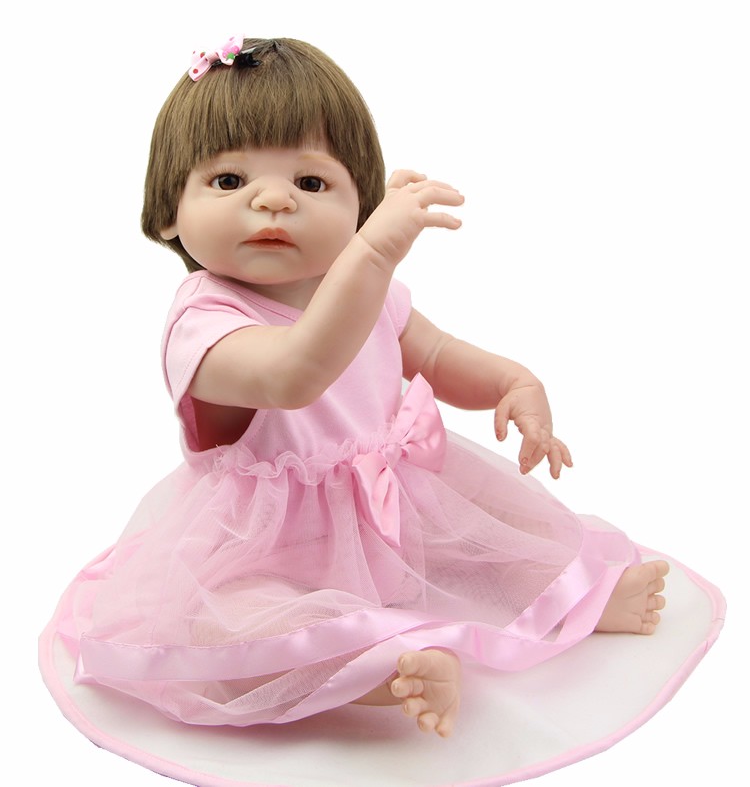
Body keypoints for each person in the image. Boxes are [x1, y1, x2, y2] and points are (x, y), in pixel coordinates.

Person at [61, 36, 668, 739]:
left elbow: (433, 353)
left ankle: (583, 597)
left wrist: (513, 380)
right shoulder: (203, 324)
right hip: (263, 549)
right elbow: (293, 372)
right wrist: (372, 254)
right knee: (223, 627)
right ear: (167, 210)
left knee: (503, 530)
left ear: (361, 205)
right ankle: (383, 667)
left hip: (394, 509)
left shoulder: (363, 289)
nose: (272, 200)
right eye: (228, 181)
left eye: (311, 183)